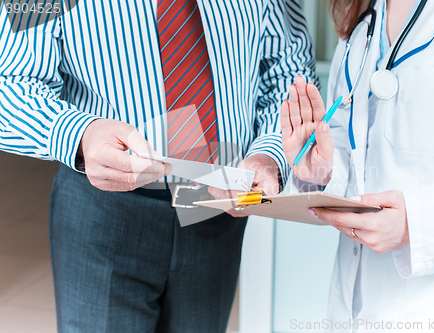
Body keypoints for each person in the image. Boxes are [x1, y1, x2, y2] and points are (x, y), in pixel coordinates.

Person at [0, 0, 318, 332]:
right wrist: (81, 133)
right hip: (103, 207)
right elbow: (9, 83)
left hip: (219, 205)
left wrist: (268, 155)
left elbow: (287, 72)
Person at [282, 0, 434, 331]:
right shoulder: (362, 20)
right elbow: (351, 143)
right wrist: (323, 170)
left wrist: (418, 224)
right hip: (352, 305)